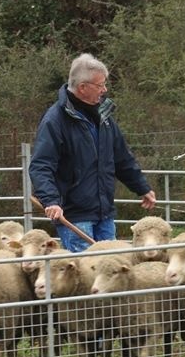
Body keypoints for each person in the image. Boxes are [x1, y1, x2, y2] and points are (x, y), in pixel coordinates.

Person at [29, 53, 156, 252]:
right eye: (100, 85)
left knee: (112, 268)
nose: (104, 90)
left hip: (104, 213)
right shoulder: (55, 121)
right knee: (83, 273)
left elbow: (121, 157)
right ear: (82, 87)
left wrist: (141, 187)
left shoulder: (104, 117)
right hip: (75, 216)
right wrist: (51, 201)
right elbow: (40, 166)